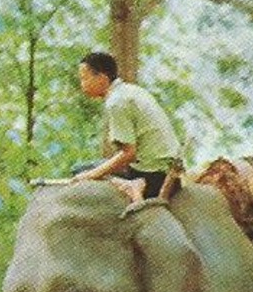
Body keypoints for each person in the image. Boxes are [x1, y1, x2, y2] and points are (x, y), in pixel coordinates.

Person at [70, 51, 184, 204]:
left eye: (84, 78)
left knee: (81, 171)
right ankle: (128, 182)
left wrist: (89, 176)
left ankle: (133, 185)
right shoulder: (130, 90)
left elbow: (128, 153)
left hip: (154, 177)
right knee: (87, 168)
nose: (81, 84)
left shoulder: (117, 102)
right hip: (168, 170)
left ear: (102, 79)